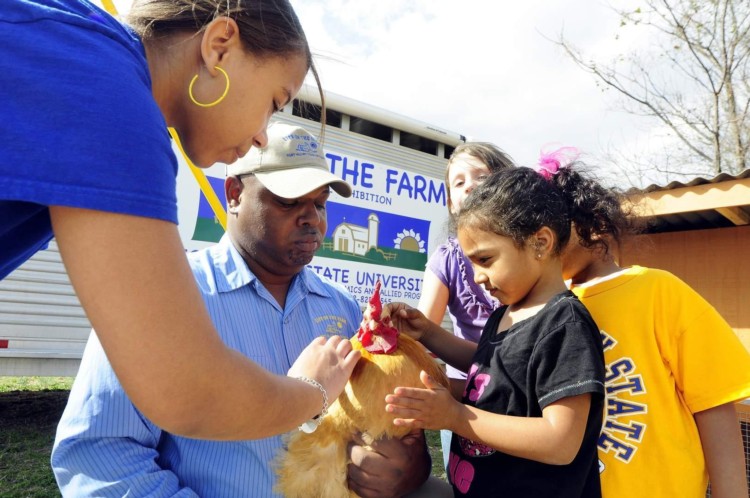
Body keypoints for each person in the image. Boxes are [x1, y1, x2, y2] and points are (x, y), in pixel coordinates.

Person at [0, 0, 358, 439]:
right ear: (220, 46)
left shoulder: (80, 45)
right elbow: (190, 393)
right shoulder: (113, 100)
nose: (264, 132)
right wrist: (314, 390)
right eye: (273, 102)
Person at [52, 123, 434, 497]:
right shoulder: (165, 295)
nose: (312, 218)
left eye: (319, 203)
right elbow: (98, 453)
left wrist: (412, 468)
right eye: (288, 200)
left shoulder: (343, 307)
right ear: (234, 194)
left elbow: (378, 430)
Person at [385, 167, 606, 497]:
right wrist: (428, 333)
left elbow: (561, 441)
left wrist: (456, 416)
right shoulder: (506, 313)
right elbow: (491, 370)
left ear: (540, 243)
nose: (477, 277)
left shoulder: (565, 326)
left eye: (485, 259)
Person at [546, 151, 750, 497]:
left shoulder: (659, 292)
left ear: (594, 225)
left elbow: (714, 408)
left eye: (552, 227)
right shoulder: (552, 308)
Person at [417, 142, 515, 466]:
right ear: (450, 202)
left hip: (520, 397)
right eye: (458, 182)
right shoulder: (446, 259)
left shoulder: (526, 253)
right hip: (465, 400)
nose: (469, 185)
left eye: (481, 176)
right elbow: (420, 332)